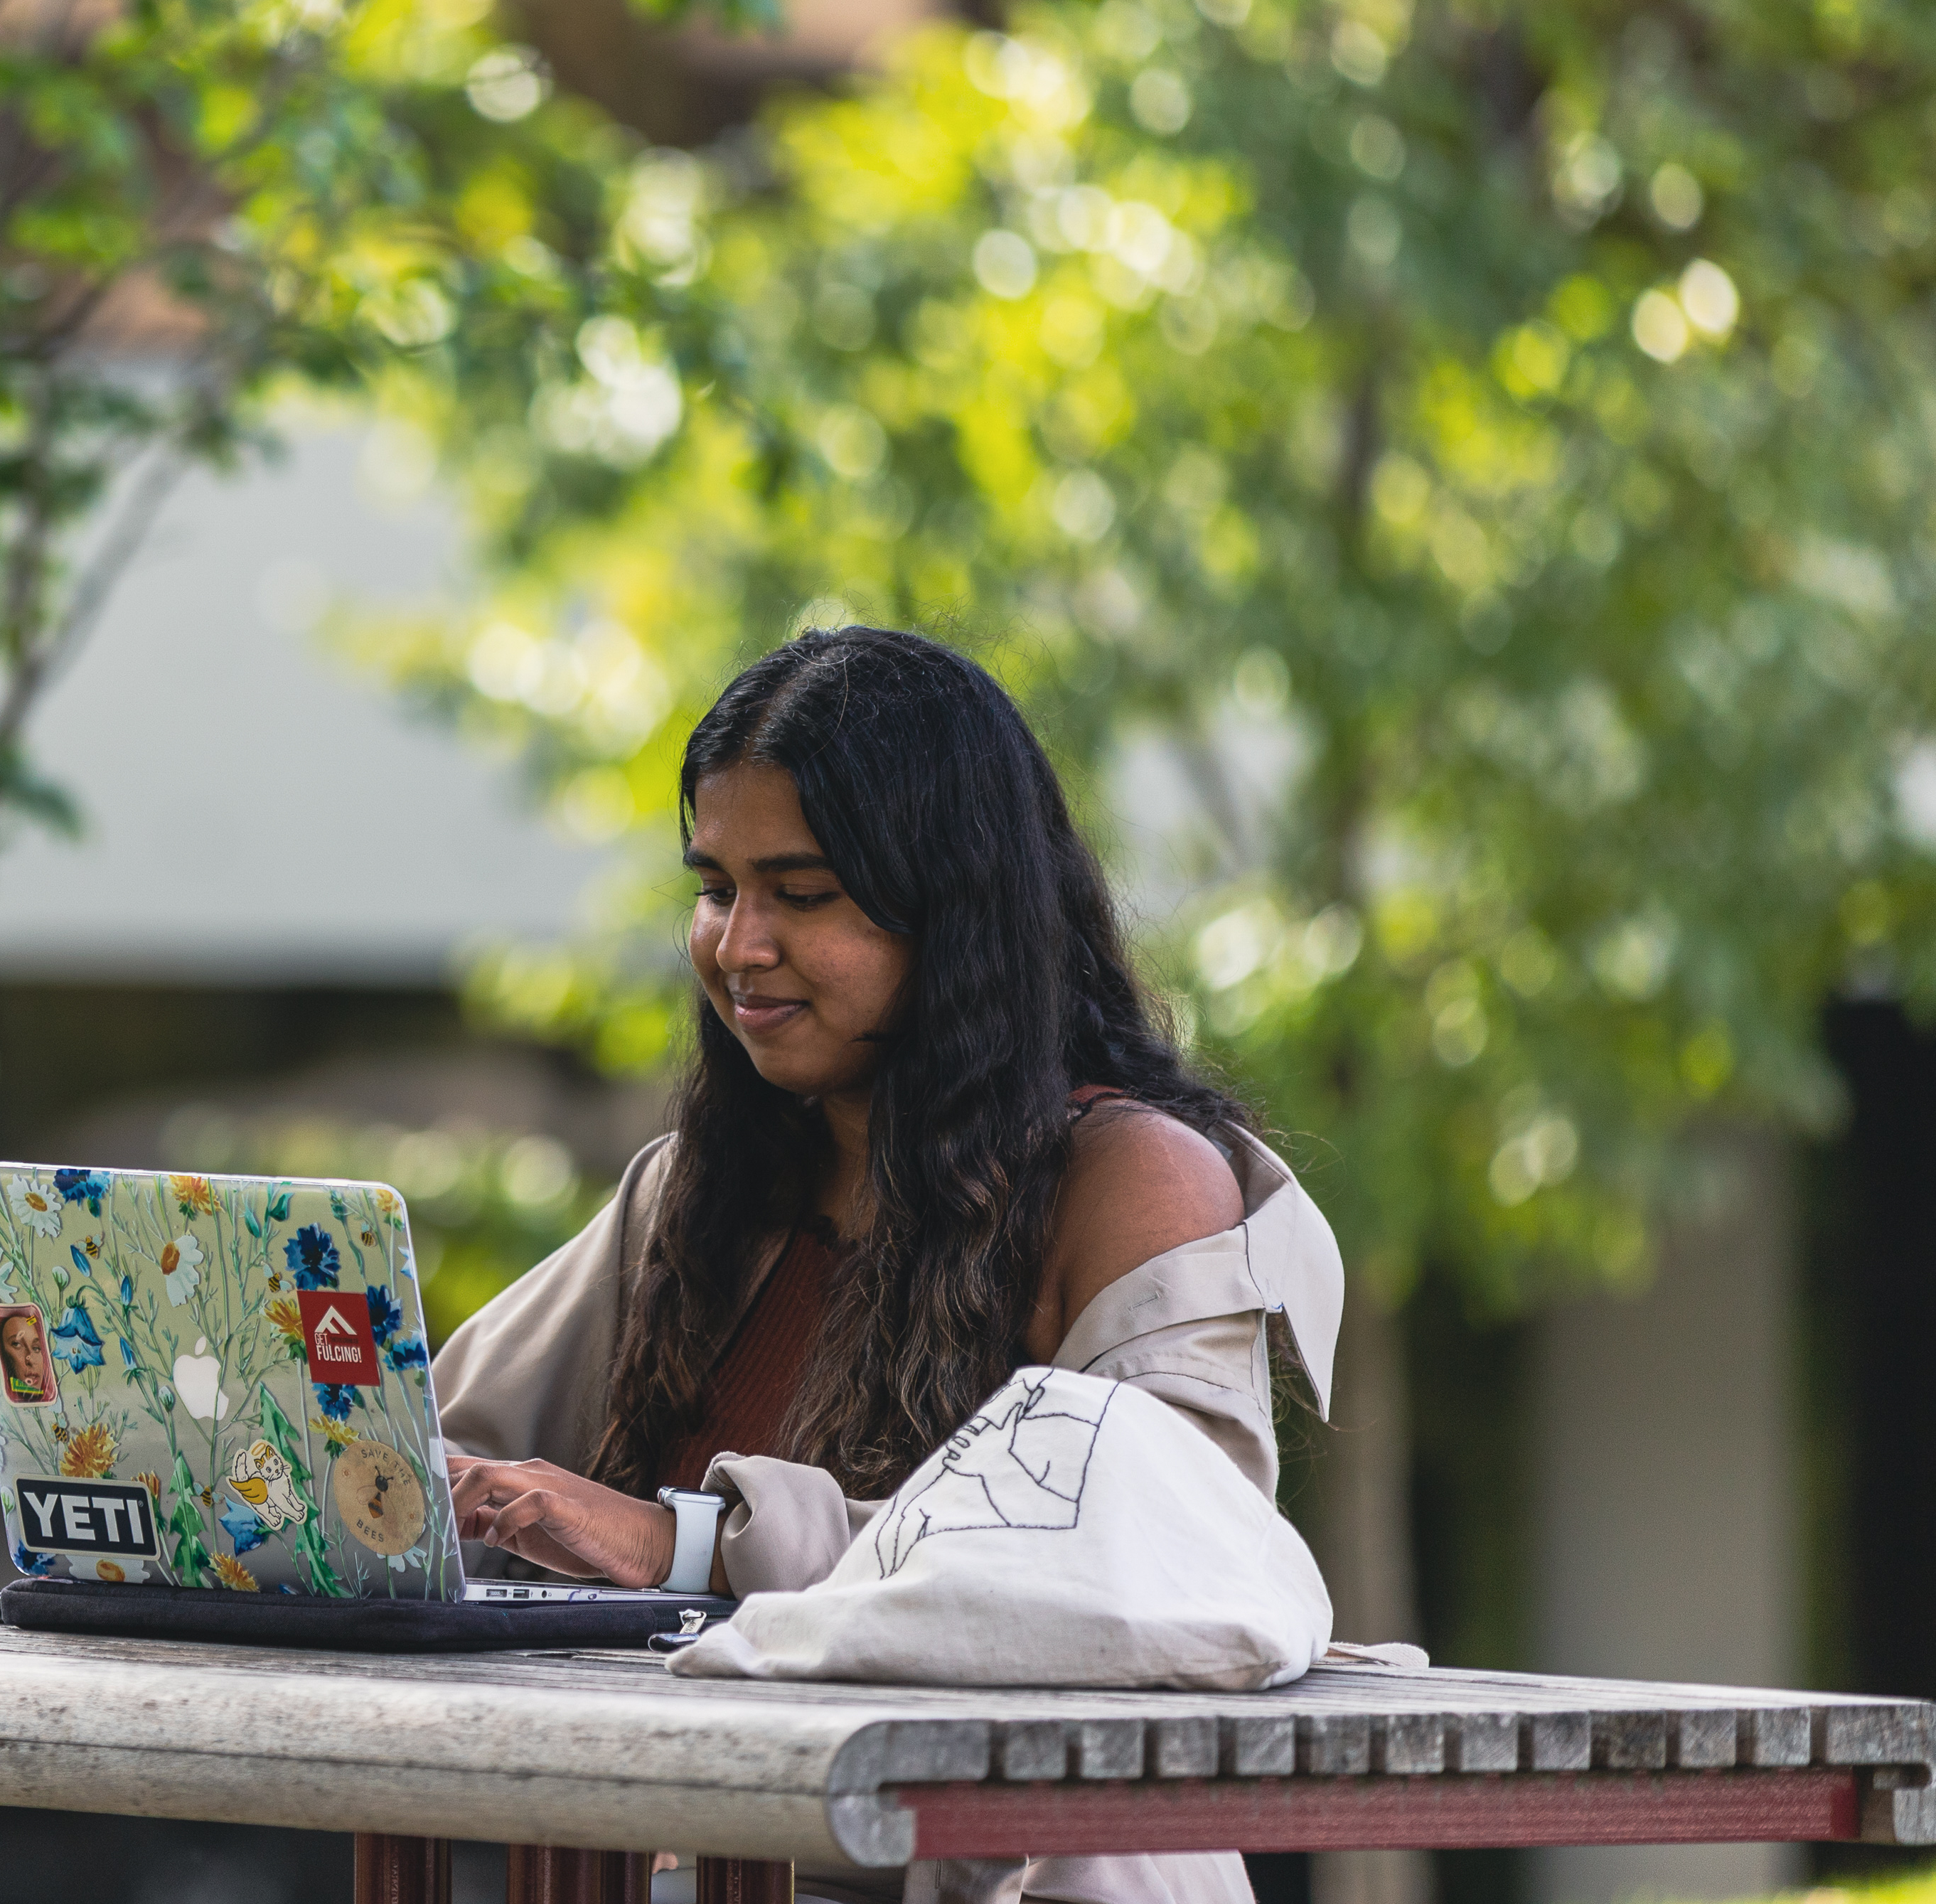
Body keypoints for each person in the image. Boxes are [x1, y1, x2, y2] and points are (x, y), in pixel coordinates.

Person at [434, 626, 1342, 1904]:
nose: (738, 945)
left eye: (801, 895)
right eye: (715, 887)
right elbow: (432, 1469)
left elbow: (1148, 1581)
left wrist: (682, 1545)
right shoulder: (696, 1200)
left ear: (956, 911)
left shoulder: (1131, 1182)